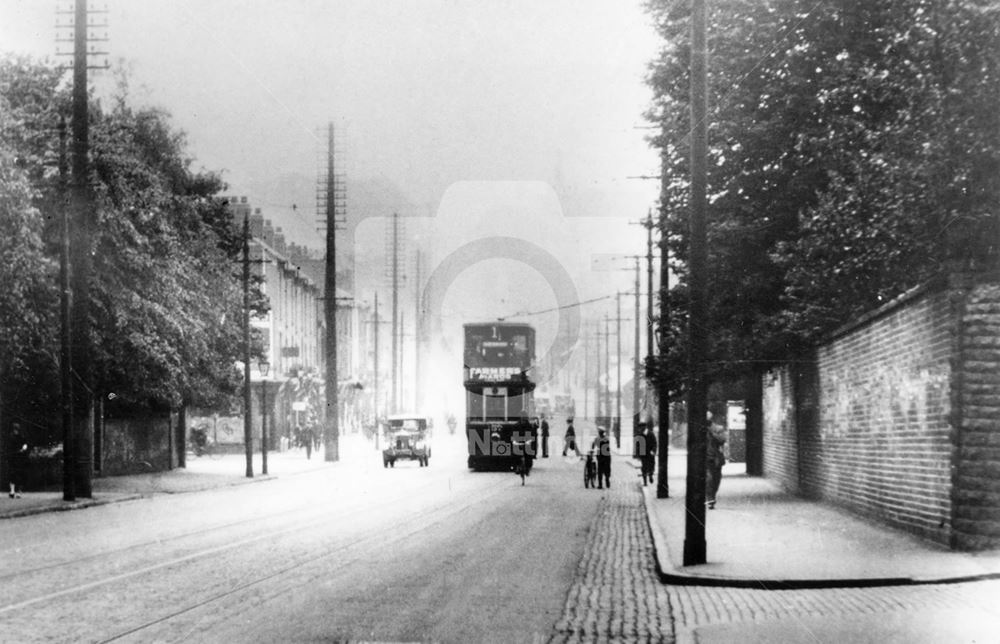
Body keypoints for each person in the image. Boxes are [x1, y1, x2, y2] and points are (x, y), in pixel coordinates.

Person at [706, 412, 728, 509]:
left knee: (716, 480)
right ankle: (710, 499)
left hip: (715, 458)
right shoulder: (698, 429)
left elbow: (722, 440)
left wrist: (712, 433)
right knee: (709, 478)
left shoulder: (718, 428)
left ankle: (712, 496)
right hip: (705, 458)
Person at [8, 426, 27, 499]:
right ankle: (12, 492)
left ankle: (19, 492)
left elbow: (25, 445)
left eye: (16, 430)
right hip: (13, 458)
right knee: (12, 474)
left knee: (20, 475)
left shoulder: (22, 437)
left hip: (21, 458)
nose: (15, 431)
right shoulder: (11, 438)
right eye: (14, 430)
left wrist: (23, 449)